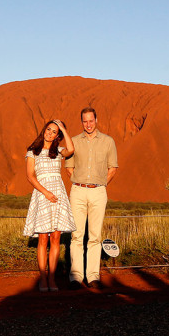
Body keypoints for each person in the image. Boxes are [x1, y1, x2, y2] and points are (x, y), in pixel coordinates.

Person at [65, 107, 118, 289]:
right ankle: (76, 277)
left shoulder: (108, 141)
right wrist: (79, 182)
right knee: (76, 235)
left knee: (95, 236)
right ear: (81, 122)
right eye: (85, 121)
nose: (88, 124)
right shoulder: (73, 141)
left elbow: (113, 168)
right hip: (78, 190)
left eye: (91, 120)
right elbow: (69, 167)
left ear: (96, 120)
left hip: (98, 191)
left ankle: (93, 276)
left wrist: (101, 184)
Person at [23, 119, 76, 292]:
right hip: (42, 194)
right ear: (43, 130)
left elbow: (72, 149)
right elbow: (30, 176)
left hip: (58, 194)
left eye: (54, 132)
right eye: (48, 129)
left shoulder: (59, 151)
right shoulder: (33, 151)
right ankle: (43, 278)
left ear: (57, 136)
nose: (50, 133)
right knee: (43, 238)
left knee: (55, 237)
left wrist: (63, 129)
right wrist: (45, 192)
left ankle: (52, 279)